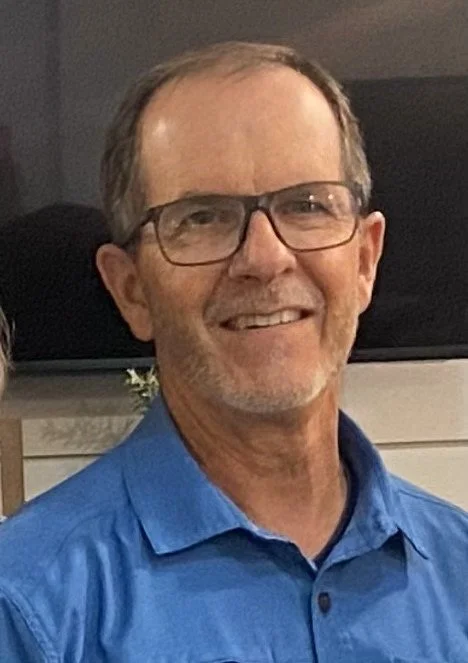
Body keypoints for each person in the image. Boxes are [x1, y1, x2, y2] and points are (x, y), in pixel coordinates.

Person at [0, 41, 466, 662]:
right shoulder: (28, 608)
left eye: (307, 205)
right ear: (131, 289)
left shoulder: (459, 573)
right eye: (202, 217)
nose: (265, 258)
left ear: (364, 260)